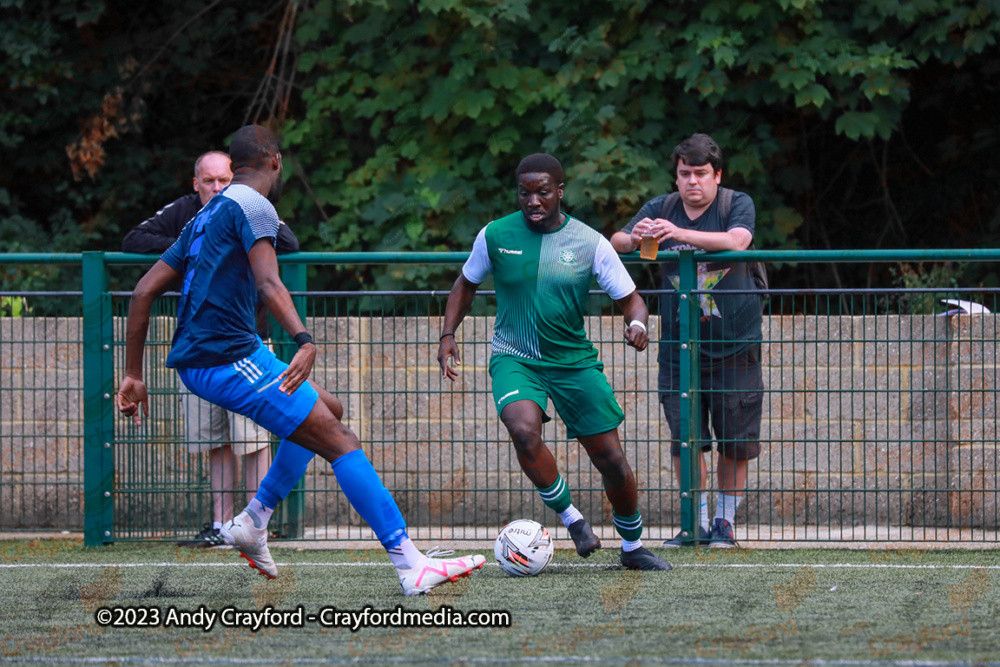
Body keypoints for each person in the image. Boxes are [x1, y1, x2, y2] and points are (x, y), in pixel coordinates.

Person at [117, 125, 485, 593]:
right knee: (341, 440)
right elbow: (269, 283)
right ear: (275, 159)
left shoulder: (204, 215)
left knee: (328, 410)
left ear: (235, 165)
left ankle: (254, 519)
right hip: (227, 359)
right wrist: (304, 339)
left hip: (216, 357)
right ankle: (409, 562)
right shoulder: (255, 205)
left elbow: (144, 289)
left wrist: (133, 374)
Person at [437, 153, 671, 571]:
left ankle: (633, 546)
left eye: (542, 192)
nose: (533, 201)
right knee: (522, 429)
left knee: (611, 460)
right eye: (525, 192)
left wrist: (638, 323)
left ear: (559, 191)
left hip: (573, 361)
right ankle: (573, 521)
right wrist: (447, 334)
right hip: (515, 356)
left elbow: (632, 299)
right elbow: (465, 284)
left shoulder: (589, 242)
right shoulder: (494, 235)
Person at [122, 151, 300, 548]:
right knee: (213, 440)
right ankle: (222, 525)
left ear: (235, 178)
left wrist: (224, 240)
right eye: (209, 181)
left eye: (224, 179)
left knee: (255, 438)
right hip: (199, 348)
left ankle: (257, 524)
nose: (217, 187)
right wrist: (196, 245)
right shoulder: (189, 216)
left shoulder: (249, 206)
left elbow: (288, 242)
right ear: (195, 183)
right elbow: (133, 242)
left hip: (246, 345)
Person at [610, 133, 764, 549]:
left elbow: (737, 241)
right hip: (679, 347)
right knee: (686, 438)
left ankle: (724, 523)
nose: (692, 181)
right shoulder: (661, 207)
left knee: (735, 440)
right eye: (684, 173)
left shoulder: (736, 203)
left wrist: (678, 233)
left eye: (700, 173)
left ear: (717, 175)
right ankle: (691, 523)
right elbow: (618, 243)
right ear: (675, 176)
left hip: (735, 344)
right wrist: (637, 234)